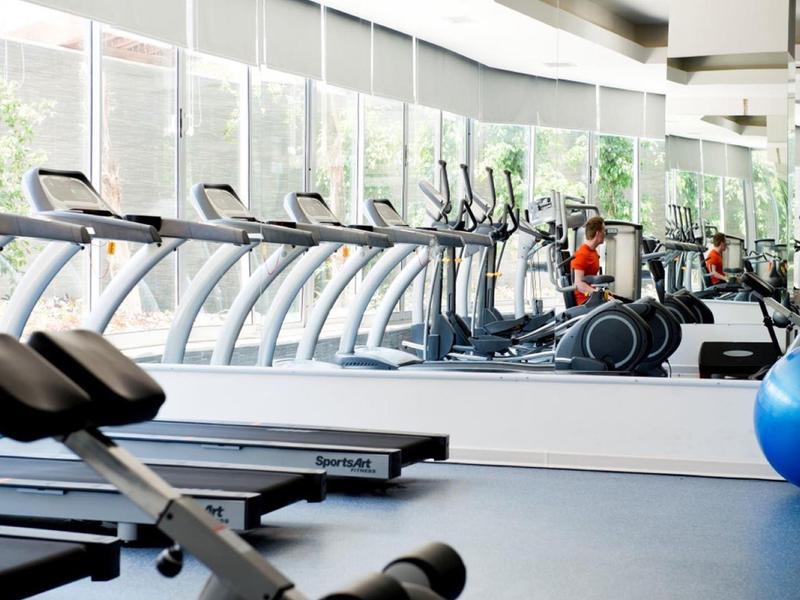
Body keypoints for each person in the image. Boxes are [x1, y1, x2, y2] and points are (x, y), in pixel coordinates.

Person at [571, 216, 606, 305]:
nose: (605, 234)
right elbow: (578, 284)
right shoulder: (582, 254)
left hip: (591, 297)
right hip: (584, 301)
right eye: (604, 231)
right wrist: (599, 295)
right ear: (598, 233)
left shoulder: (593, 252)